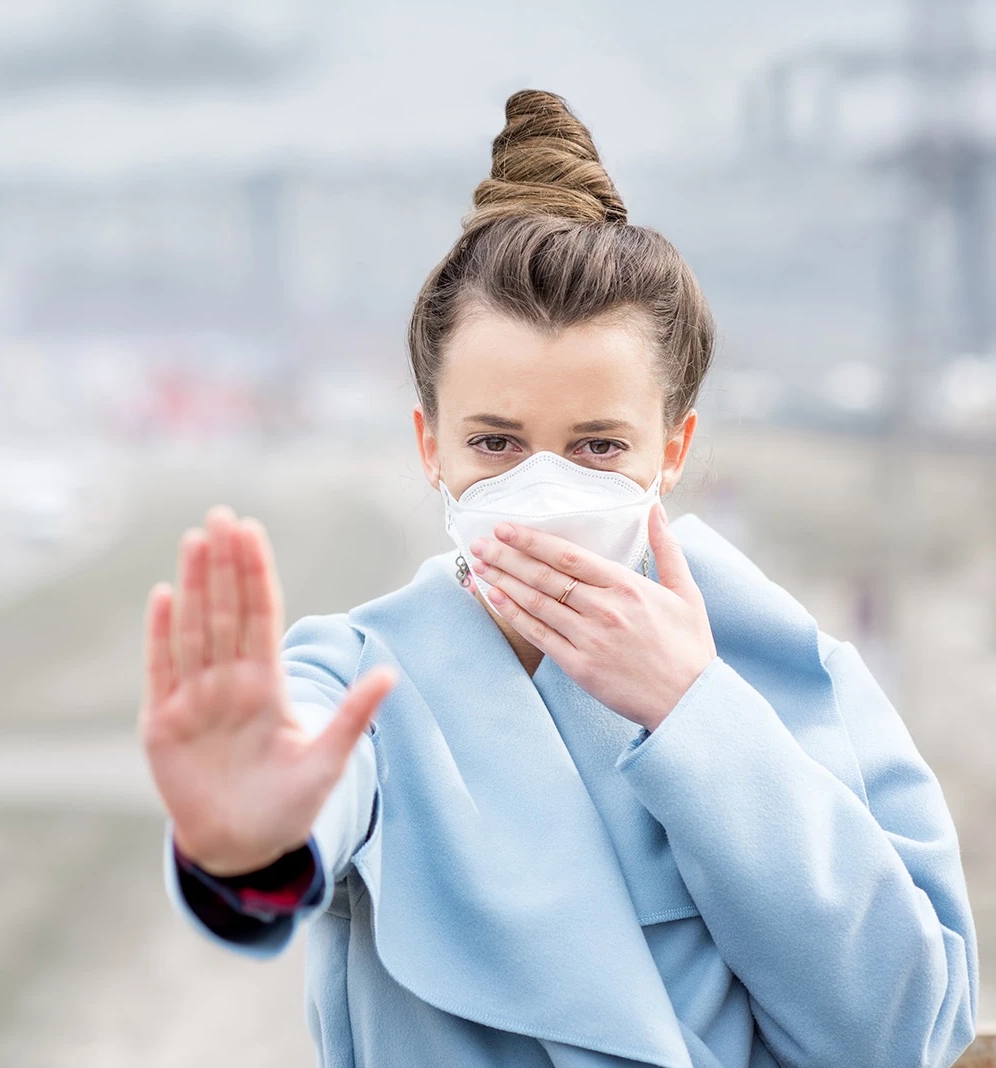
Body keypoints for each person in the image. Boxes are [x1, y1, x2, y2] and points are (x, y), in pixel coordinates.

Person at [136, 90, 979, 1068]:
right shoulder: (358, 677)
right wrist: (247, 850)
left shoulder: (792, 672)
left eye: (595, 446)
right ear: (429, 446)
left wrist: (696, 717)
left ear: (672, 449)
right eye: (495, 442)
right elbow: (312, 783)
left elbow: (907, 1035)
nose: (541, 487)